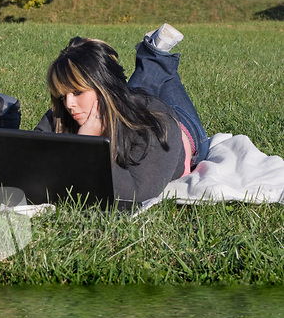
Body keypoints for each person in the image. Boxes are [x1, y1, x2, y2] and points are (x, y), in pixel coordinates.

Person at [34, 24, 209, 204]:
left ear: (104, 89)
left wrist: (88, 147)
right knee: (137, 89)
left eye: (77, 92)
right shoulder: (67, 112)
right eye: (62, 96)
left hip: (185, 132)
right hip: (124, 101)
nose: (69, 104)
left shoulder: (157, 124)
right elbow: (31, 158)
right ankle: (155, 55)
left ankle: (154, 55)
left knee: (142, 93)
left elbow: (135, 197)